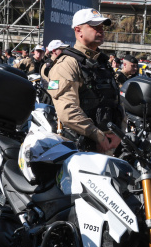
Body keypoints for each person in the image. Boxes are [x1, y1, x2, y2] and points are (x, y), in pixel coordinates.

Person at [46, 8, 123, 154]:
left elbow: (116, 102)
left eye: (102, 27)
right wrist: (98, 136)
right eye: (94, 26)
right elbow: (67, 111)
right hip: (80, 149)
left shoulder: (103, 63)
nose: (100, 30)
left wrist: (118, 134)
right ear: (78, 30)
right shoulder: (68, 63)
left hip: (108, 145)